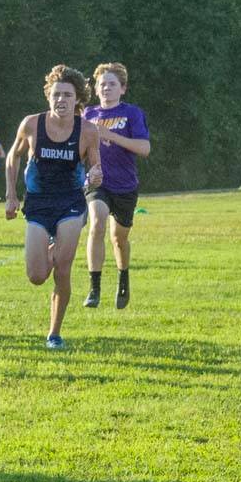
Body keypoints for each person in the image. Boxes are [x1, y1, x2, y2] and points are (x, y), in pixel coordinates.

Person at [4, 64, 102, 349]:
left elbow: (96, 169)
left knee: (62, 268)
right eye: (57, 94)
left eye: (68, 95)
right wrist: (11, 195)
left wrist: (96, 175)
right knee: (36, 276)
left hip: (71, 203)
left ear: (77, 100)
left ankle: (54, 333)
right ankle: (49, 246)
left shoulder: (88, 131)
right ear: (49, 96)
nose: (61, 100)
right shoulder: (31, 124)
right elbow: (13, 157)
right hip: (38, 203)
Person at [82, 63, 150, 309]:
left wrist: (111, 136)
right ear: (96, 89)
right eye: (102, 84)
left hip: (125, 185)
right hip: (97, 181)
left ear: (122, 88)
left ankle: (123, 277)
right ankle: (94, 288)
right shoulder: (87, 115)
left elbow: (144, 149)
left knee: (118, 239)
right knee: (97, 222)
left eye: (112, 84)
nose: (106, 88)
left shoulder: (131, 113)